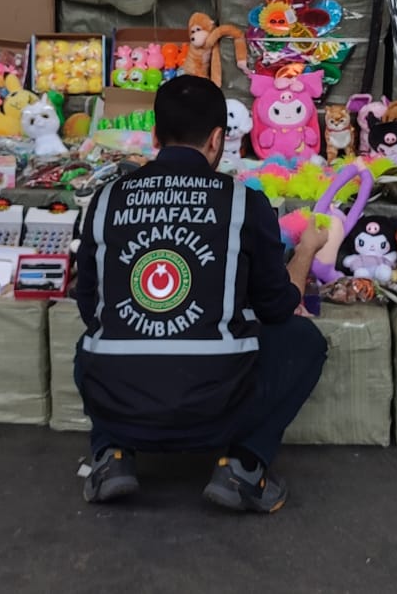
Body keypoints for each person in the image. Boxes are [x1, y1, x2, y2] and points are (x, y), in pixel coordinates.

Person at [72, 74, 329, 513]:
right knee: (303, 340)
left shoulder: (105, 198)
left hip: (117, 405)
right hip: (216, 412)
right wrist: (305, 251)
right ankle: (243, 466)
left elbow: (88, 305)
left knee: (95, 339)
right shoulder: (244, 202)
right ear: (216, 139)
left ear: (155, 136)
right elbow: (277, 307)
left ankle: (109, 455)